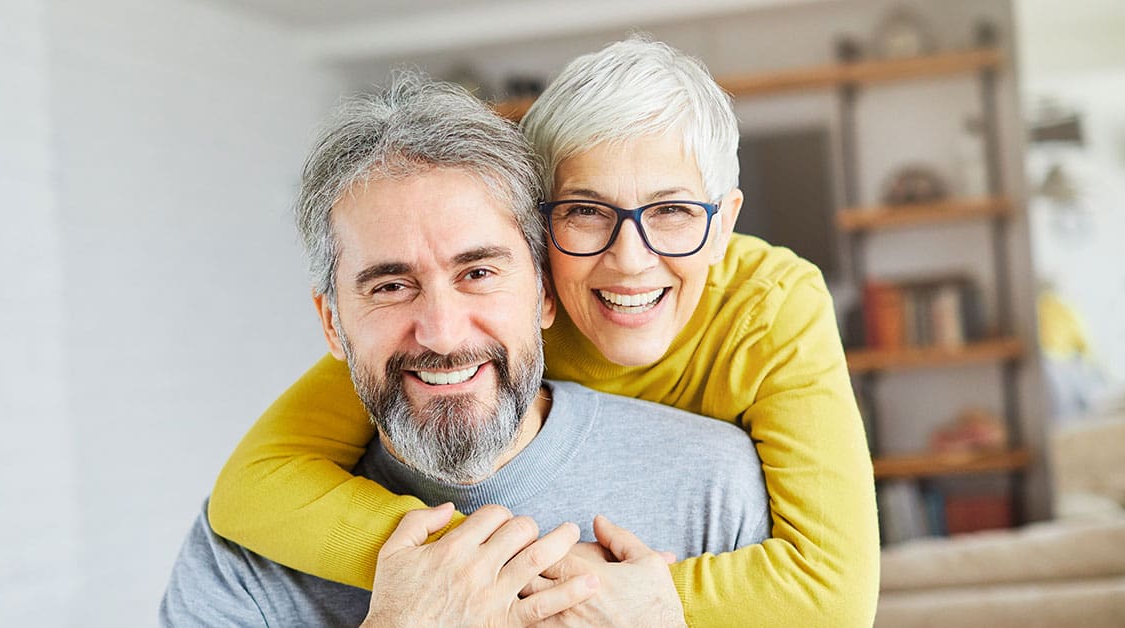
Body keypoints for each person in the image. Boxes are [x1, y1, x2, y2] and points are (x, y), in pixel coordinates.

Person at [209, 37, 880, 625]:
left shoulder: (772, 307)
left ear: (725, 225)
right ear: (537, 231)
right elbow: (252, 488)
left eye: (673, 210)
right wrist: (470, 574)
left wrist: (625, 600)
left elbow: (833, 596)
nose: (631, 258)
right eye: (587, 211)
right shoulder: (482, 318)